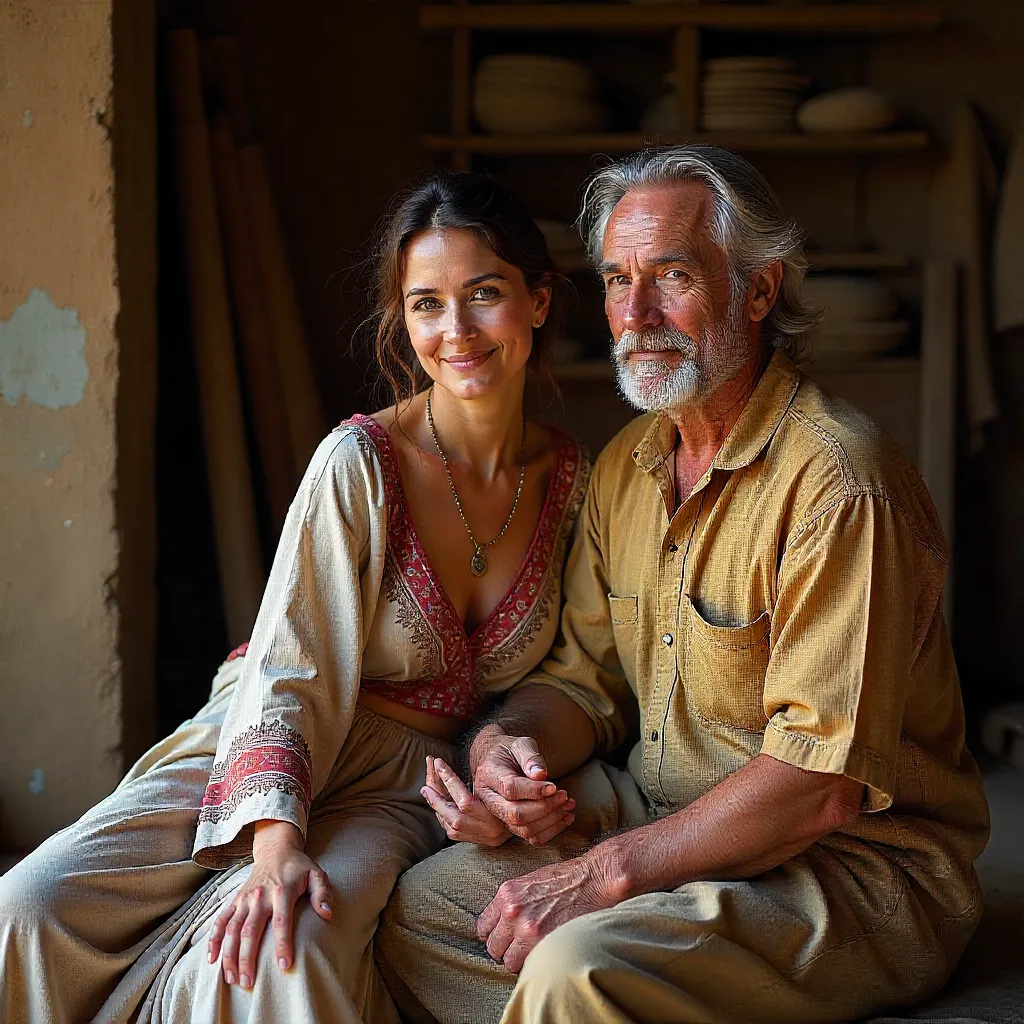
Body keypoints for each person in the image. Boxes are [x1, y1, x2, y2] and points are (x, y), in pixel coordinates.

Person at [376, 145, 991, 1024]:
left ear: (759, 289)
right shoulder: (629, 465)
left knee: (575, 968)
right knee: (424, 914)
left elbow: (817, 786)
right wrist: (504, 750)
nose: (637, 313)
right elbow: (583, 680)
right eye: (619, 281)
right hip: (662, 817)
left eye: (672, 275)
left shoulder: (841, 483)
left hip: (848, 869)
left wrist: (601, 876)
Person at [0, 172, 591, 1024]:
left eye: (485, 295)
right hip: (262, 735)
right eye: (426, 304)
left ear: (539, 301)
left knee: (275, 953)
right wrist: (273, 842)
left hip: (404, 788)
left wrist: (506, 777)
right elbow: (289, 666)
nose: (454, 331)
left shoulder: (575, 486)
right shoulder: (359, 463)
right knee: (31, 906)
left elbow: (574, 678)